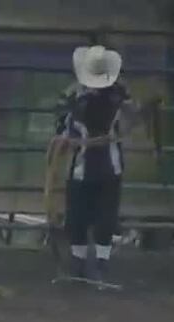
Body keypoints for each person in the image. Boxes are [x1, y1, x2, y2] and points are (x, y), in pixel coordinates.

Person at [55, 44, 144, 282]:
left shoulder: (119, 93)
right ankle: (78, 262)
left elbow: (132, 117)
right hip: (80, 164)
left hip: (108, 165)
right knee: (77, 217)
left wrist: (125, 126)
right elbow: (62, 128)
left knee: (106, 217)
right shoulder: (72, 95)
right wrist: (64, 141)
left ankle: (102, 265)